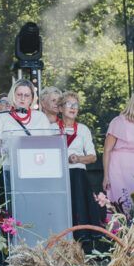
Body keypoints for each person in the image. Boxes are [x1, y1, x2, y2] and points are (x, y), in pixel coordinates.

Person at [59, 92, 100, 245]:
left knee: (79, 208)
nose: (73, 108)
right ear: (61, 108)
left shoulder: (82, 129)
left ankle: (81, 245)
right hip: (59, 174)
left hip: (77, 175)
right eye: (69, 104)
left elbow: (93, 156)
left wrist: (78, 159)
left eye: (75, 105)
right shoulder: (51, 128)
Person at [0, 79, 54, 159]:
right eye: (19, 95)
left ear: (32, 98)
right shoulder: (2, 117)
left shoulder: (40, 117)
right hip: (11, 166)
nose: (23, 98)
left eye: (27, 95)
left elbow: (50, 145)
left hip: (37, 164)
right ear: (13, 96)